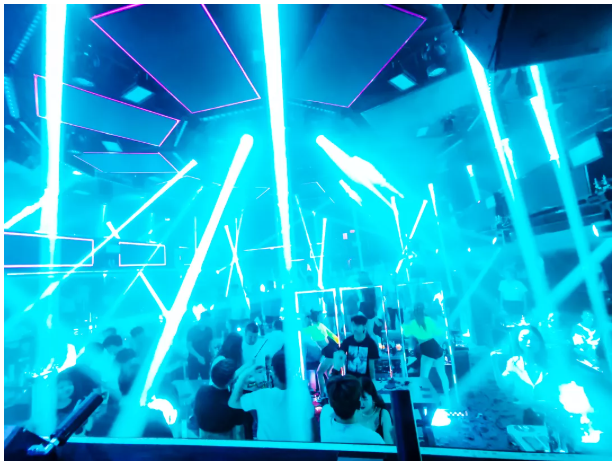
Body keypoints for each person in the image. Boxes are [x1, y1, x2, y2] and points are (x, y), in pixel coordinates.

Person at [229, 351, 314, 441]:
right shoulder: (302, 394)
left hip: (268, 448)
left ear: (274, 373)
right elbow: (312, 428)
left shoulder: (262, 395)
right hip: (294, 448)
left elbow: (233, 402)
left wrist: (244, 373)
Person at [320, 375, 385, 444]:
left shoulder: (325, 419)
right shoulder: (374, 439)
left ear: (330, 403)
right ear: (359, 403)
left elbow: (328, 406)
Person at [402, 303, 449, 395]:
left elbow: (406, 334)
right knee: (442, 374)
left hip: (426, 349)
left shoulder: (413, 323)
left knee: (424, 377)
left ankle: (424, 395)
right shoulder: (429, 320)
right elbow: (437, 332)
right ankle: (447, 393)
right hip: (435, 347)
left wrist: (406, 321)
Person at [194, 359, 247, 439]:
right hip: (225, 439)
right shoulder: (233, 401)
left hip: (203, 437)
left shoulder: (202, 391)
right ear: (231, 380)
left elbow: (196, 413)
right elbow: (239, 431)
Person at [302, 309, 339, 400]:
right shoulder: (321, 325)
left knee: (320, 372)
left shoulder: (312, 328)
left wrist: (304, 318)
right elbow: (333, 336)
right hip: (331, 350)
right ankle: (333, 392)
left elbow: (300, 330)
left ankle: (323, 394)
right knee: (328, 373)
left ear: (310, 319)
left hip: (329, 352)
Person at [331, 314, 379, 381]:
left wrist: (372, 380)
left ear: (364, 326)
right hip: (350, 378)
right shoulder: (347, 341)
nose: (355, 328)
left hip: (364, 380)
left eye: (357, 325)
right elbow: (339, 355)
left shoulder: (371, 343)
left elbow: (371, 366)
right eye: (353, 325)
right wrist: (335, 371)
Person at [358, 377, 394, 444]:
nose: (361, 403)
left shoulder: (383, 414)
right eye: (358, 398)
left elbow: (389, 444)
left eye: (364, 399)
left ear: (373, 398)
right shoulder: (353, 413)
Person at [186, 316, 213, 380]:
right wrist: (199, 357)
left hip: (206, 358)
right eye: (206, 319)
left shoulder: (209, 330)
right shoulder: (192, 330)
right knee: (193, 380)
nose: (208, 321)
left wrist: (213, 355)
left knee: (206, 378)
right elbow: (189, 346)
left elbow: (210, 344)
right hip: (193, 359)